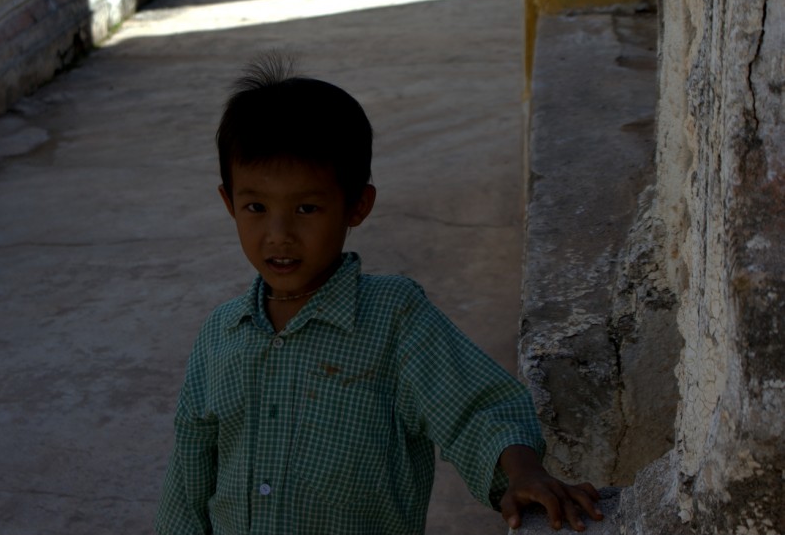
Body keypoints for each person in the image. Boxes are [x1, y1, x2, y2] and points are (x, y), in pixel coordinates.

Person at [154, 53, 603, 534]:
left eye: (306, 209)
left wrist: (523, 472)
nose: (278, 234)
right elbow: (188, 480)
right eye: (256, 207)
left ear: (357, 206)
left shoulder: (394, 318)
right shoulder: (219, 335)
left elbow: (477, 408)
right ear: (229, 203)